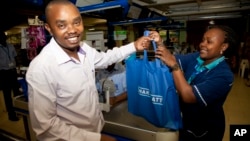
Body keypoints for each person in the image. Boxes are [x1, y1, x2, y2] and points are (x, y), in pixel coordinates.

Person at [25, 0, 151, 141]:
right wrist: (97, 139)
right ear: (49, 28)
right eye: (62, 25)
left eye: (77, 22)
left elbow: (106, 58)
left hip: (96, 128)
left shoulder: (84, 49)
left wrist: (134, 45)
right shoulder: (42, 68)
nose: (72, 30)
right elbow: (46, 128)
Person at [151, 25, 238, 141]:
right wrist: (159, 42)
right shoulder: (198, 57)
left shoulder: (224, 76)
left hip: (205, 129)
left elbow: (188, 95)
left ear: (223, 47)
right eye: (203, 40)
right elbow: (170, 58)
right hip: (187, 120)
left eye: (209, 42)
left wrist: (174, 66)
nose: (202, 44)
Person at [0, 31, 20, 121]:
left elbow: (15, 57)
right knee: (7, 95)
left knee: (16, 92)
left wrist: (18, 68)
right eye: (2, 36)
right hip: (4, 73)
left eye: (4, 36)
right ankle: (11, 115)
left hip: (13, 71)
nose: (4, 37)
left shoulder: (10, 46)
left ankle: (19, 110)